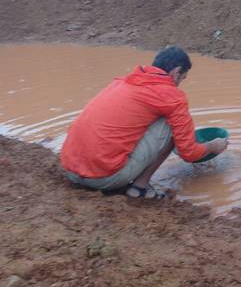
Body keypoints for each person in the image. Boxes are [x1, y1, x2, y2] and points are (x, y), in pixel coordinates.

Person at [60, 46, 228, 199]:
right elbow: (189, 153)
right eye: (182, 78)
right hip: (103, 179)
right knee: (170, 124)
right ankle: (139, 188)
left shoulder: (122, 82)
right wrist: (213, 146)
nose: (178, 85)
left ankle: (120, 175)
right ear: (176, 73)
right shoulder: (170, 96)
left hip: (71, 170)